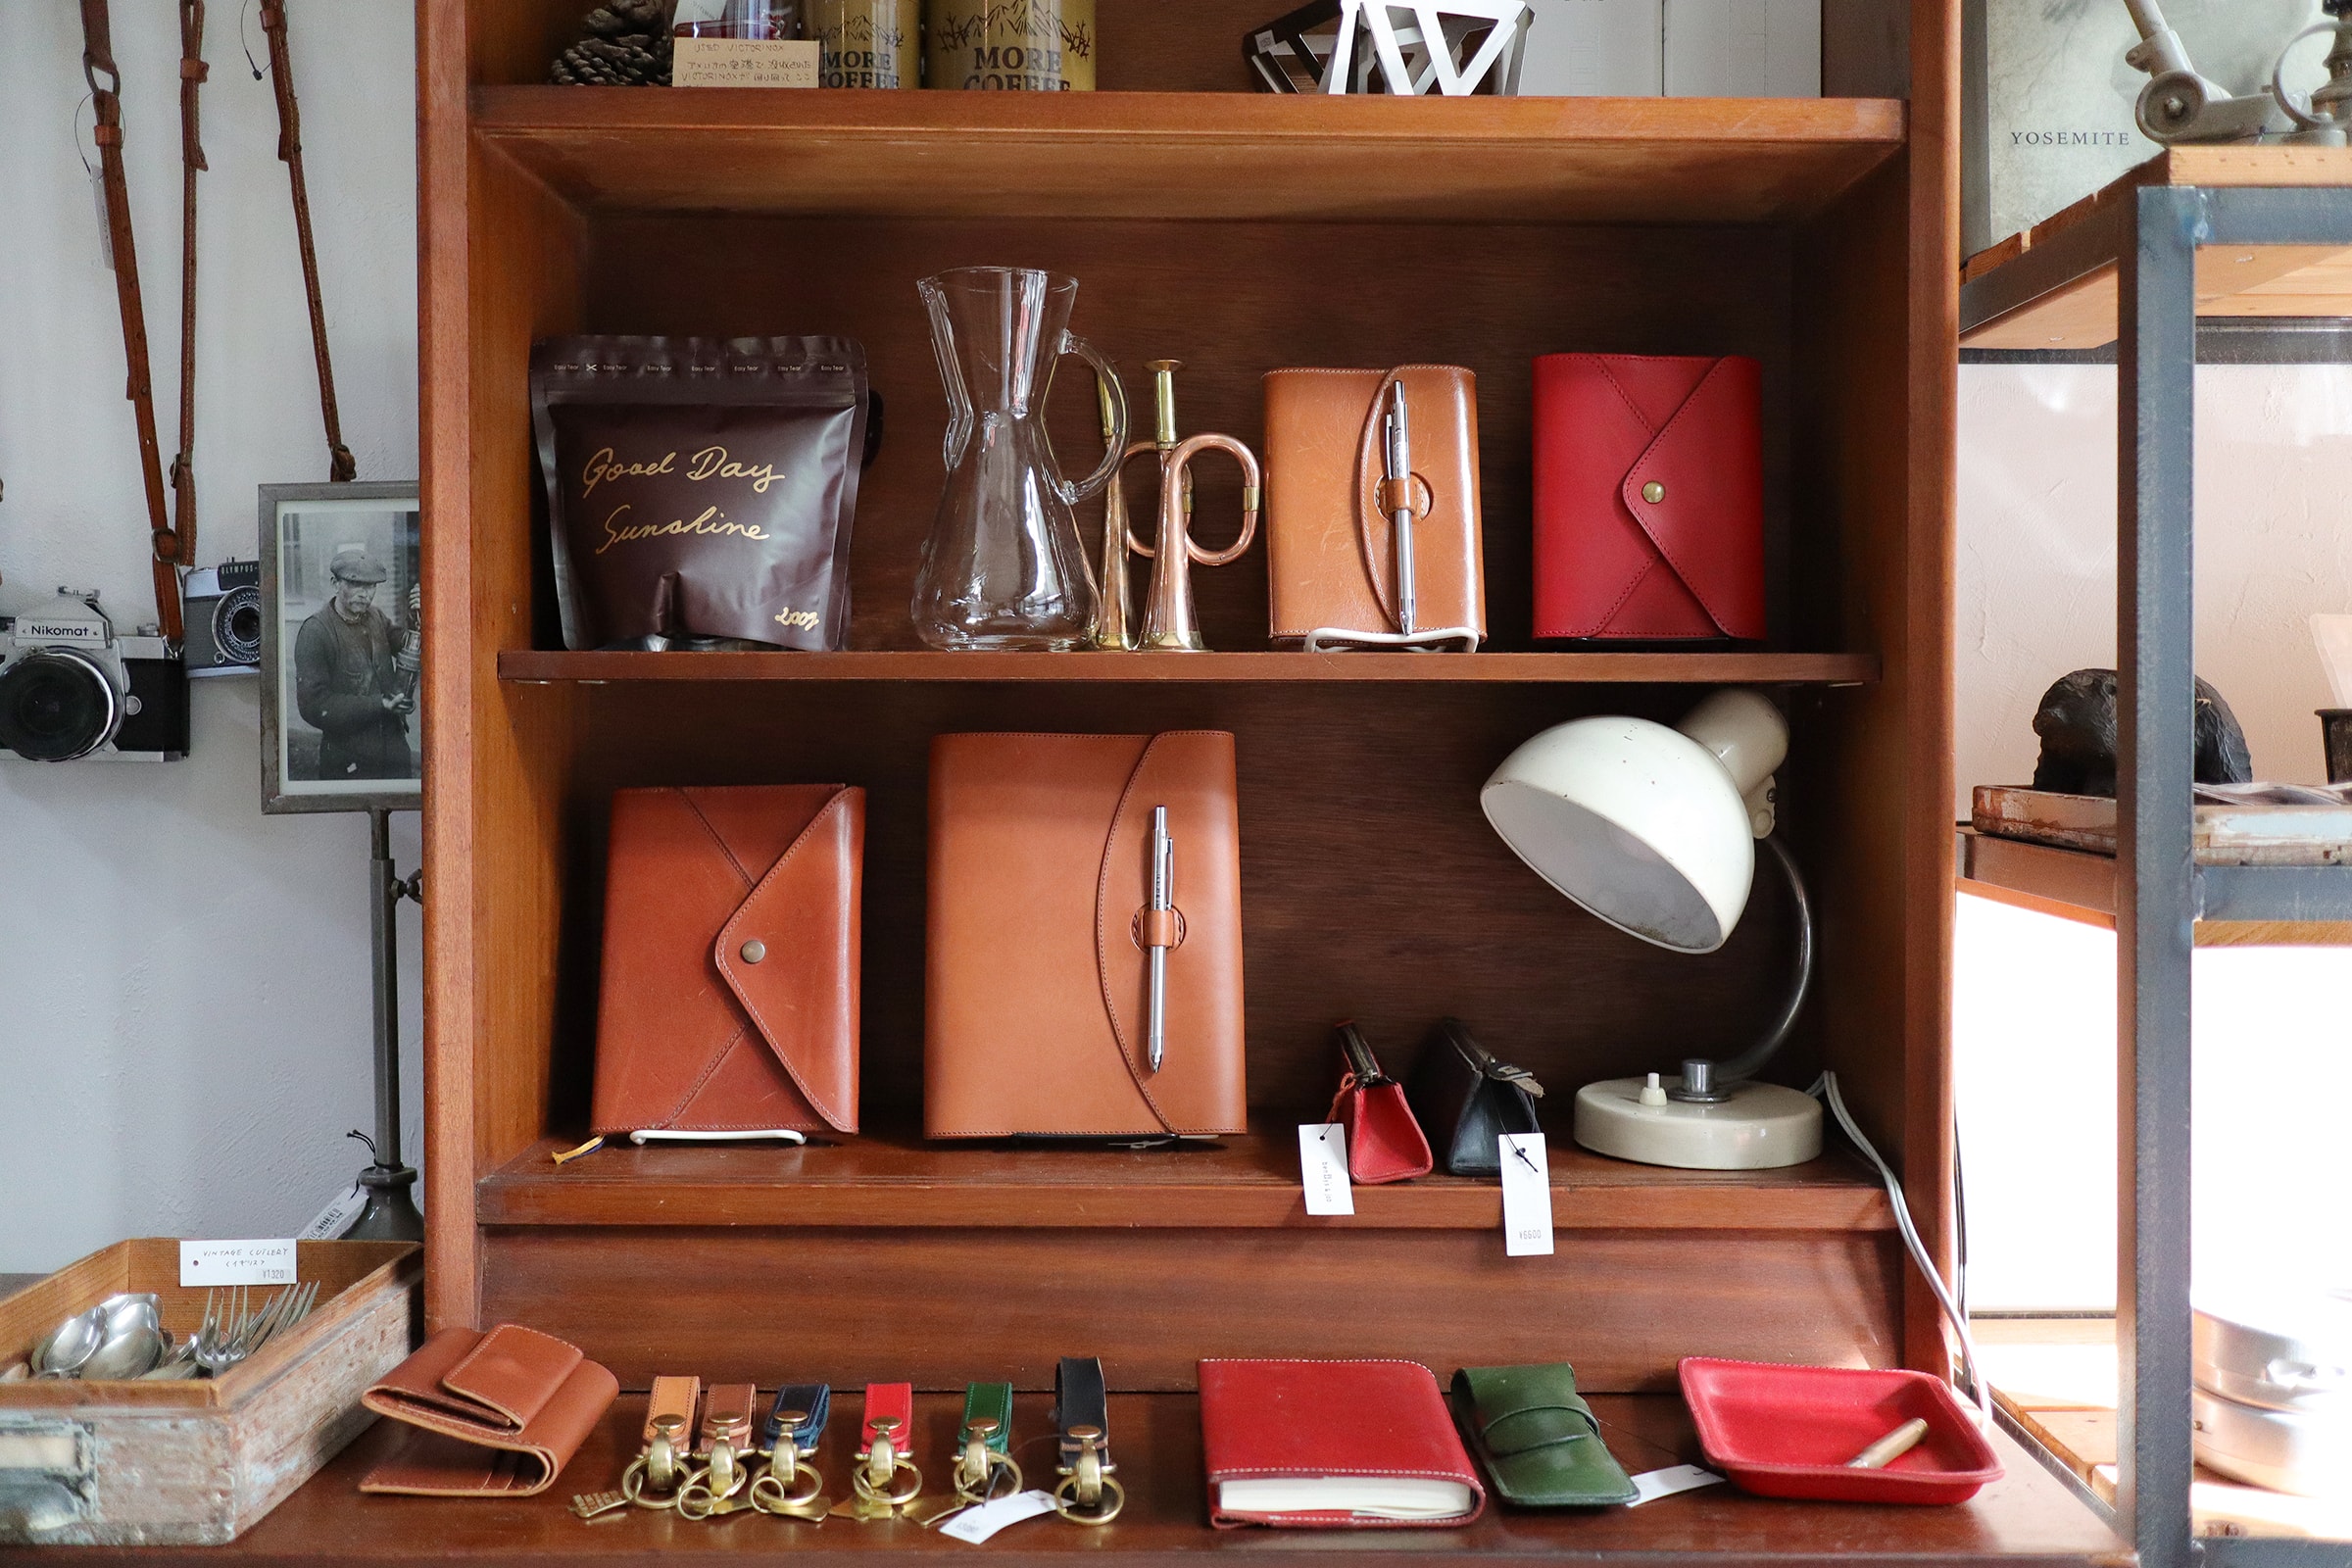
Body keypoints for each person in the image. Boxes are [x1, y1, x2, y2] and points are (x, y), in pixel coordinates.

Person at [294, 541, 413, 781]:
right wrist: (379, 704)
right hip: (349, 761)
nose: (364, 594)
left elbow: (408, 645)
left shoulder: (376, 617)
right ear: (335, 583)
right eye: (355, 584)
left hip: (395, 752)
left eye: (371, 586)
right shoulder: (316, 631)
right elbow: (314, 706)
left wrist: (421, 616)